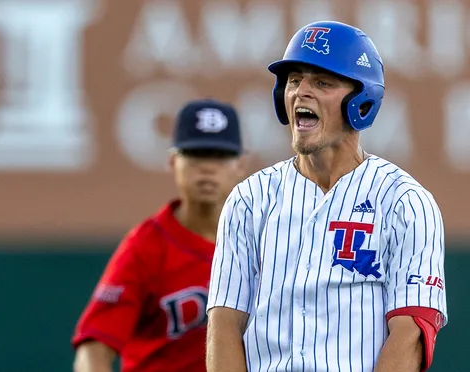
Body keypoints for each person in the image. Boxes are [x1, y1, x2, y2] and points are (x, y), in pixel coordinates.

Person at [206, 21, 448, 372]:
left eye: (322, 82)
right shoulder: (250, 200)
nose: (301, 92)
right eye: (293, 80)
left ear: (362, 99)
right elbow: (225, 323)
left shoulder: (404, 202)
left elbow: (412, 330)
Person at [72, 99, 247, 372]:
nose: (207, 168)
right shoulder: (146, 246)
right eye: (196, 154)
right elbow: (95, 347)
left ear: (240, 164)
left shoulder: (263, 239)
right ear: (173, 161)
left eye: (219, 156)